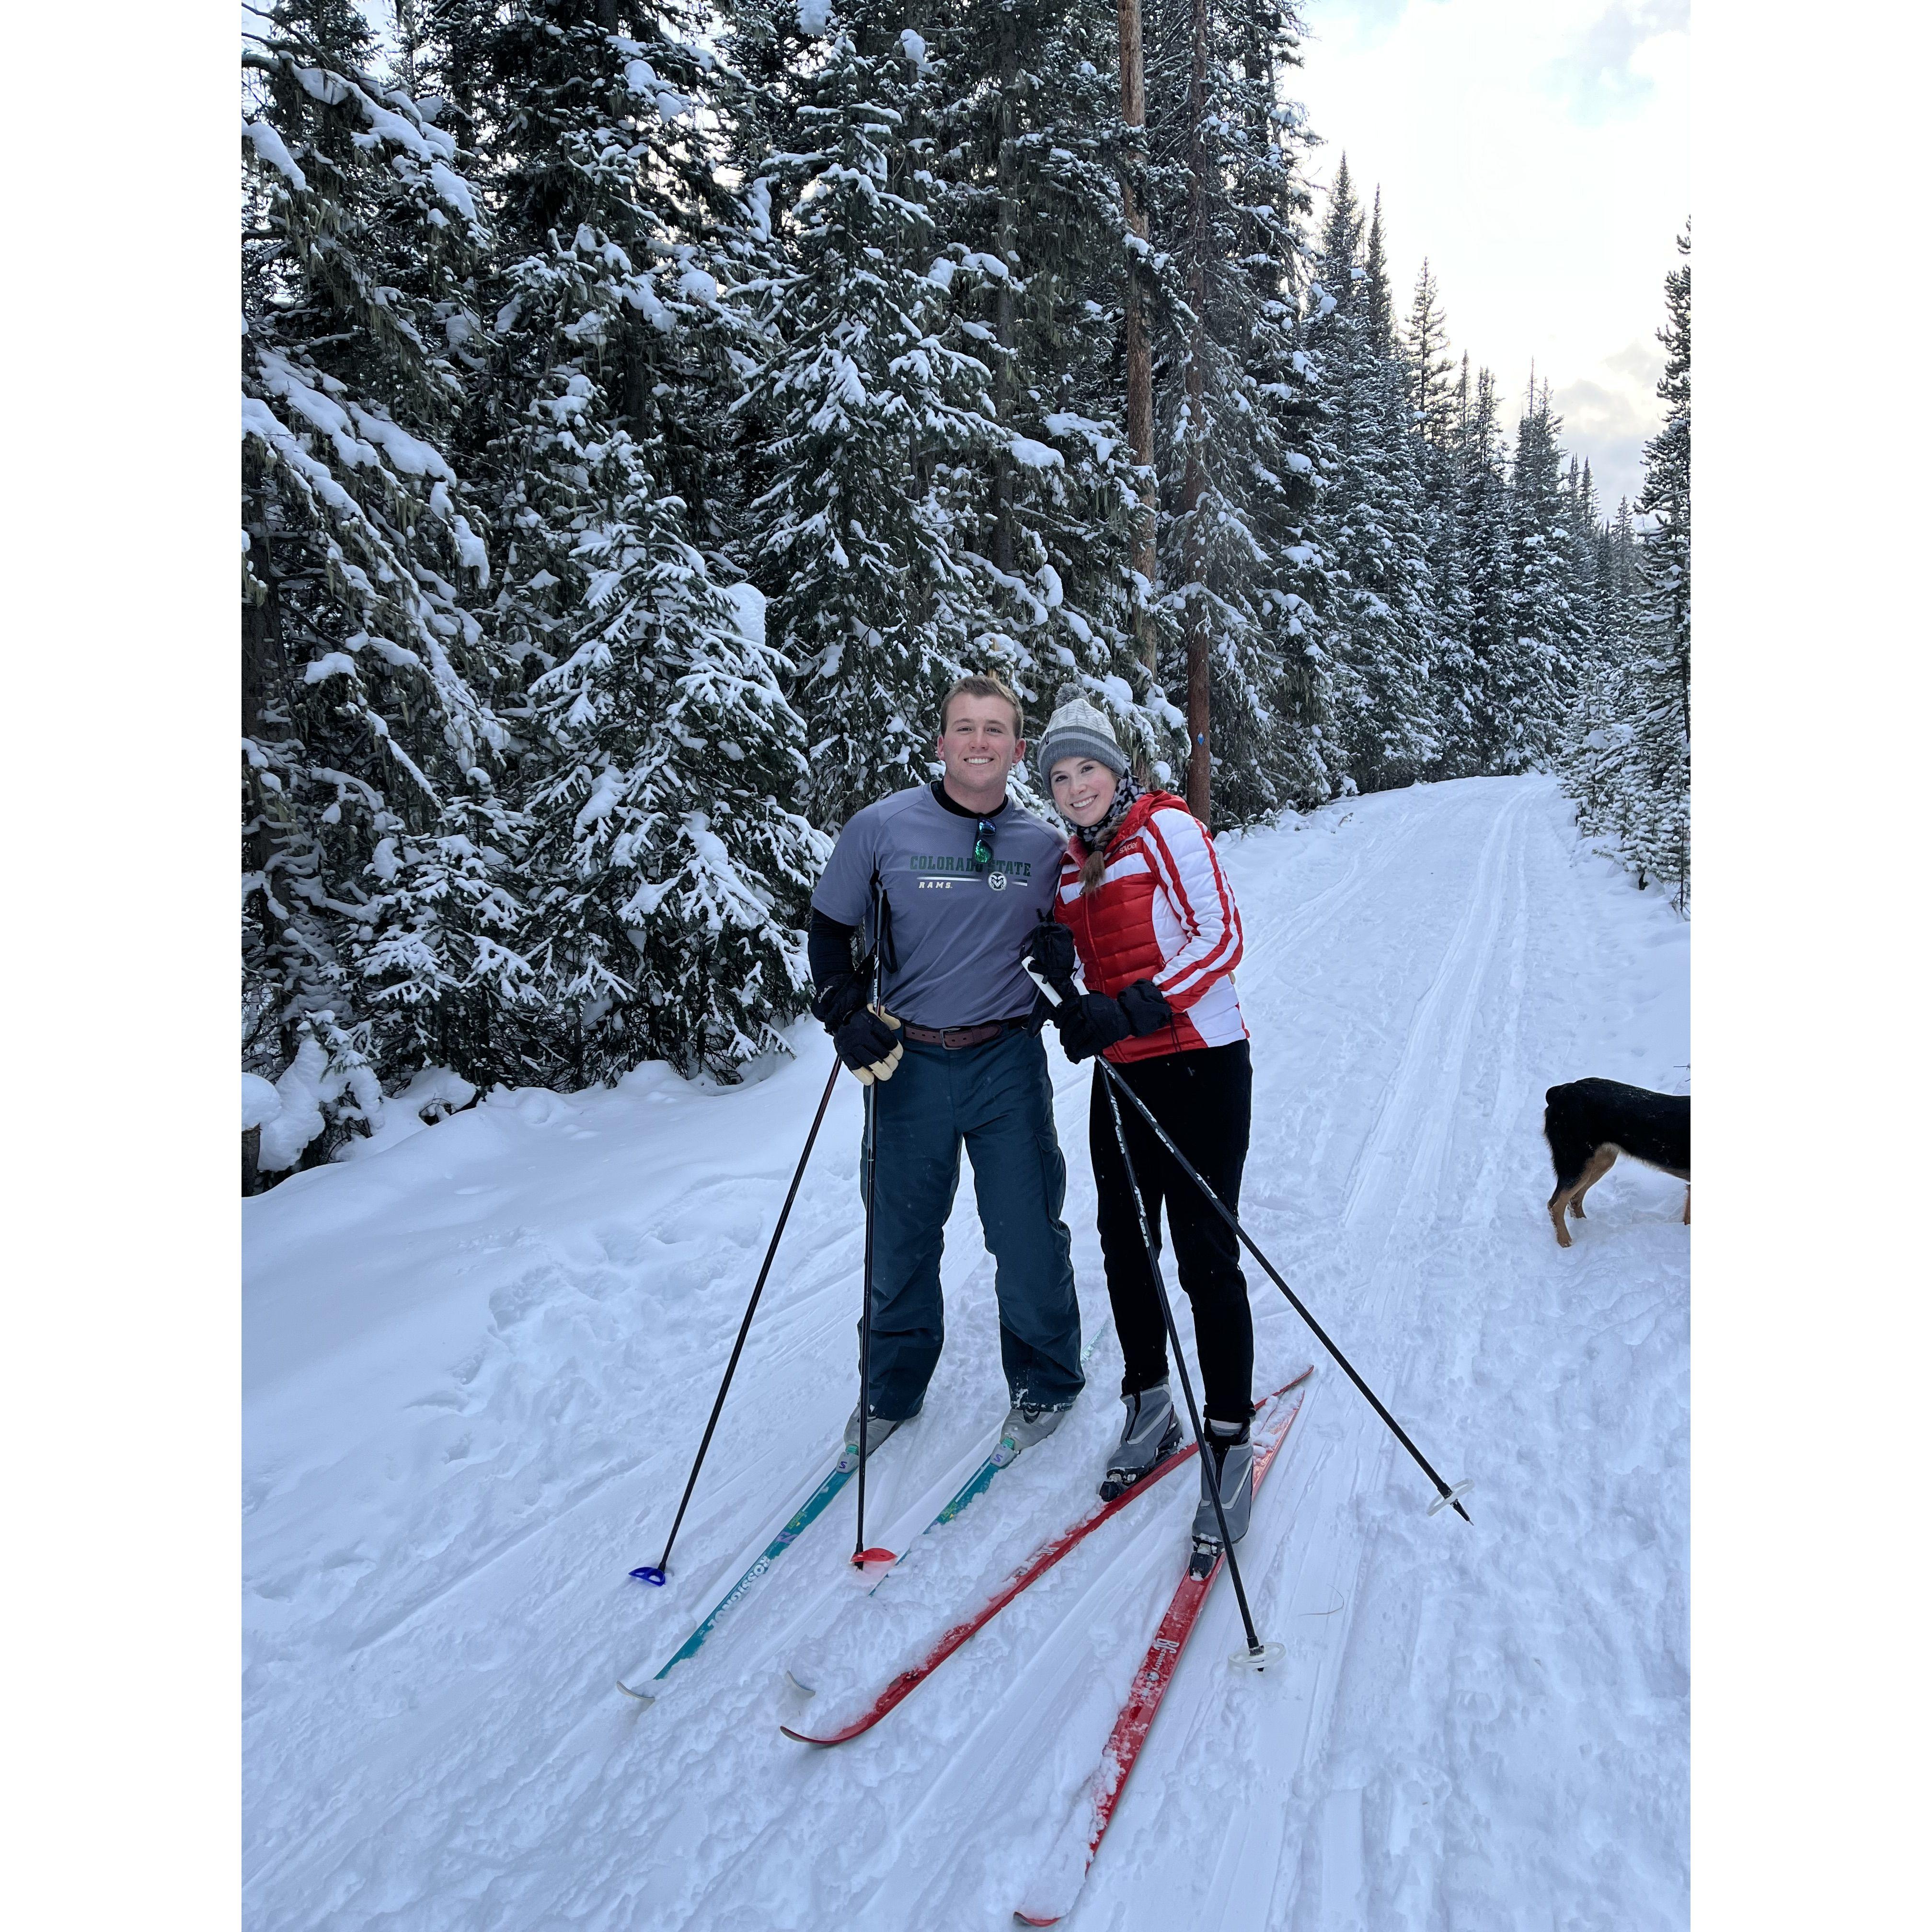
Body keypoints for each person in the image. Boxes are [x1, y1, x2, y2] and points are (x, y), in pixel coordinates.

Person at [808, 674, 1085, 1465]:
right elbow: (828, 928)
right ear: (940, 742)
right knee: (899, 1238)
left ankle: (1047, 1380)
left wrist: (1066, 968)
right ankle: (890, 1390)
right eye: (964, 727)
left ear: (1018, 750)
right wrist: (843, 1011)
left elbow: (1077, 942)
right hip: (909, 1062)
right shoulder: (881, 828)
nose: (978, 742)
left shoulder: (1043, 847)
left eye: (995, 729)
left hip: (1006, 1059)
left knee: (1026, 1233)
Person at [1023, 687, 1257, 1561]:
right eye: (1060, 777)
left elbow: (1221, 937)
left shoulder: (1167, 828)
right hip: (1122, 1076)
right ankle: (1150, 1400)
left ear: (1116, 770)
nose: (1076, 787)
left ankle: (1229, 1438)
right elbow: (1076, 979)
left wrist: (1130, 1009)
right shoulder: (1065, 865)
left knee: (1204, 1253)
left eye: (1088, 768)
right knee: (1125, 1242)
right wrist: (1064, 988)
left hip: (1200, 1060)